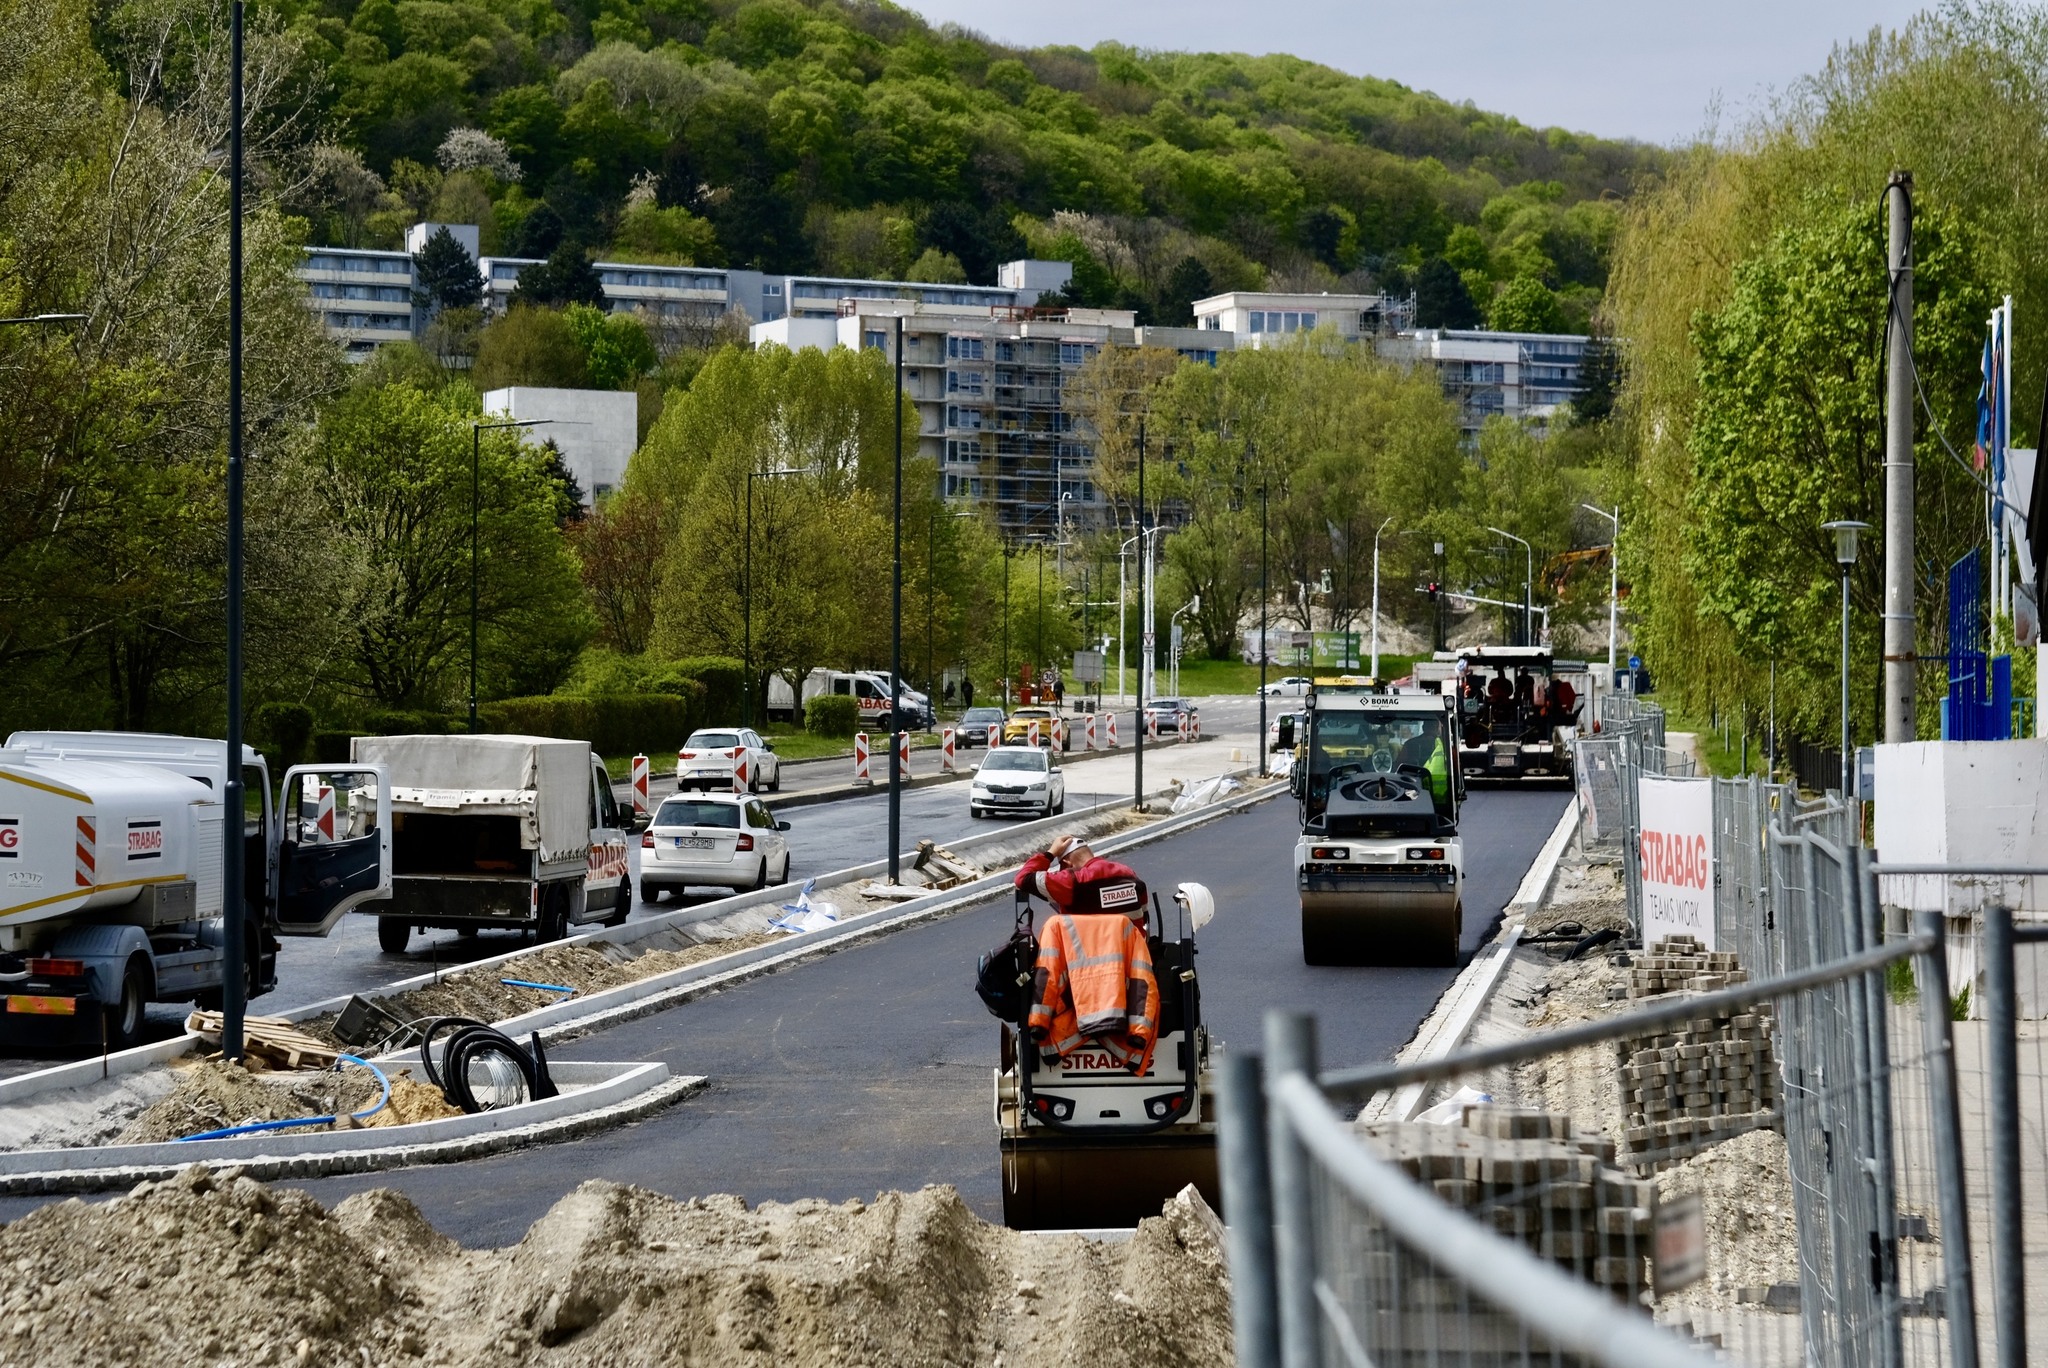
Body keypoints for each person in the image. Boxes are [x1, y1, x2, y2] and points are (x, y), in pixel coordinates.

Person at [1015, 834, 1142, 927]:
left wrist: (1050, 853)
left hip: (1089, 959)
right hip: (1132, 957)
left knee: (1053, 926)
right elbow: (1143, 918)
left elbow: (1022, 878)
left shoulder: (1072, 881)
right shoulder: (1128, 873)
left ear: (1067, 863)